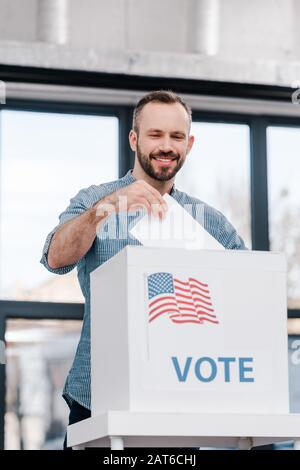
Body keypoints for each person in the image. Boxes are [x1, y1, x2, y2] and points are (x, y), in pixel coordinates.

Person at [40, 90, 246, 449]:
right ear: (134, 139)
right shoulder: (95, 200)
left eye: (176, 136)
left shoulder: (210, 222)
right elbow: (56, 257)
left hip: (177, 400)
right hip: (95, 395)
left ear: (189, 144)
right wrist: (106, 209)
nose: (166, 145)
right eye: (155, 135)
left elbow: (247, 295)